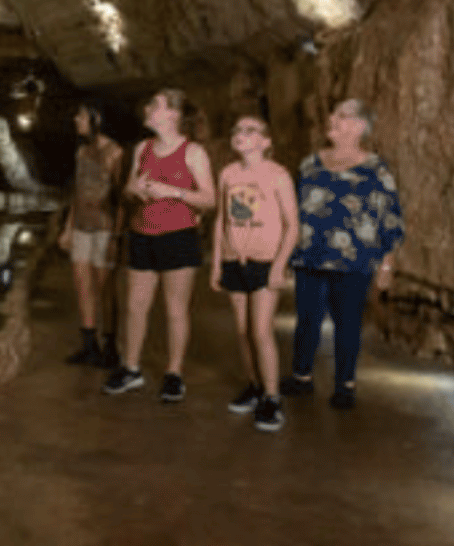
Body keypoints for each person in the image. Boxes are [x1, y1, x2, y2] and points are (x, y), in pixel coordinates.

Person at [281, 98, 406, 410]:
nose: (332, 118)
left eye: (342, 115)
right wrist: (284, 254)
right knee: (307, 318)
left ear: (360, 126)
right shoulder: (309, 163)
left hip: (354, 260)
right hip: (310, 255)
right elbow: (294, 211)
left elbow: (389, 217)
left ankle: (345, 385)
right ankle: (301, 377)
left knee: (348, 323)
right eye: (333, 113)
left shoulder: (376, 169)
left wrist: (387, 265)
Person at [103, 89, 216, 402]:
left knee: (175, 309)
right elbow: (127, 190)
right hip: (142, 233)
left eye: (155, 104)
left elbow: (209, 198)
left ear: (173, 115)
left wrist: (173, 192)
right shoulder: (142, 148)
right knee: (135, 306)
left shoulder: (193, 152)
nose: (148, 108)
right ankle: (131, 368)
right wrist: (134, 188)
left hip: (178, 236)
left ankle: (174, 373)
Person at [211, 116, 299, 431]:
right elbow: (221, 220)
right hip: (236, 260)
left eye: (251, 131)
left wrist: (279, 265)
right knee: (242, 331)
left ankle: (272, 397)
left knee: (260, 331)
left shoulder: (278, 175)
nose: (241, 134)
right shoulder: (227, 174)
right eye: (236, 130)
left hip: (265, 261)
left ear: (266, 142)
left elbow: (292, 225)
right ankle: (254, 385)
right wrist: (217, 263)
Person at [57, 103, 125, 366]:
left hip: (104, 228)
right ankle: (89, 345)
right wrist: (68, 227)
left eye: (81, 115)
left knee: (105, 287)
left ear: (96, 118)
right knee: (83, 285)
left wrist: (117, 237)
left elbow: (120, 198)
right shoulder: (82, 151)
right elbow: (78, 191)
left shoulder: (113, 152)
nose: (76, 119)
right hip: (82, 226)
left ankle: (110, 347)